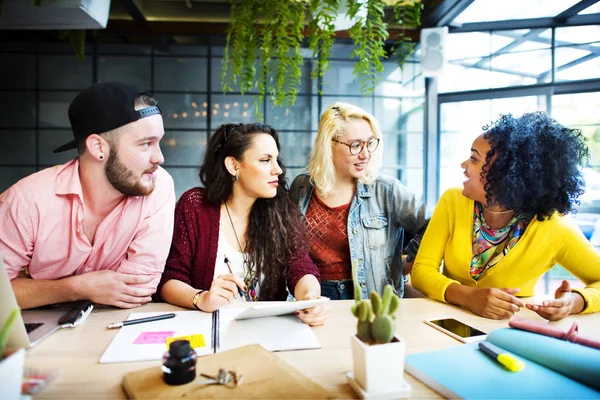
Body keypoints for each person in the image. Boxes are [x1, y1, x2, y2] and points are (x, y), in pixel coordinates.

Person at [0, 81, 175, 310]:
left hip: (117, 325)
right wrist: (75, 288)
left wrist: (37, 289)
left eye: (158, 142)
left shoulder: (158, 185)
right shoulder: (26, 200)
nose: (159, 158)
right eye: (145, 144)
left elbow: (137, 290)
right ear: (98, 148)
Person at [412, 112, 600, 321]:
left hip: (508, 333)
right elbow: (422, 270)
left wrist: (573, 302)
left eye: (474, 158)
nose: (464, 164)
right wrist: (468, 297)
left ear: (505, 174)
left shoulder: (554, 227)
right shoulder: (452, 201)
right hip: (444, 326)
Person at [156, 123, 328, 326]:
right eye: (265, 160)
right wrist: (201, 298)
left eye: (276, 159)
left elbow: (300, 267)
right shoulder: (194, 206)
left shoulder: (280, 208)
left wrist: (310, 298)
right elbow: (170, 280)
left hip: (266, 332)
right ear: (234, 166)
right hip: (208, 330)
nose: (278, 170)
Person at [290, 103, 428, 300]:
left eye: (370, 143)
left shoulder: (386, 190)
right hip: (314, 297)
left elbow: (432, 226)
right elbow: (290, 248)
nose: (365, 154)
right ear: (329, 144)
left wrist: (404, 267)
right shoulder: (302, 187)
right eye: (355, 145)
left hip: (370, 300)